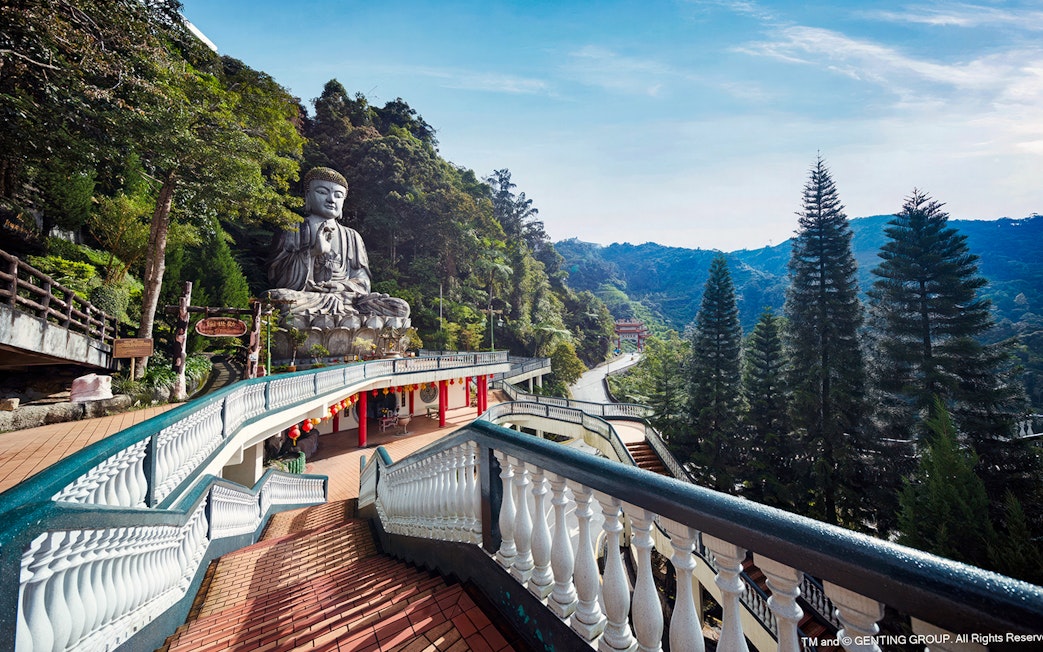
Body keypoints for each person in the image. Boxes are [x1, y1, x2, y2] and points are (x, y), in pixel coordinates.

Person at [268, 167, 409, 327]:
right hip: (308, 298)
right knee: (277, 299)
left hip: (347, 300)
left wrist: (338, 286)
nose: (331, 199)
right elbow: (277, 277)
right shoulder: (294, 228)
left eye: (338, 195)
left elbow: (363, 283)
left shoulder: (352, 236)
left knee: (400, 308)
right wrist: (313, 252)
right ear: (308, 195)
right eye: (322, 192)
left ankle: (342, 322)